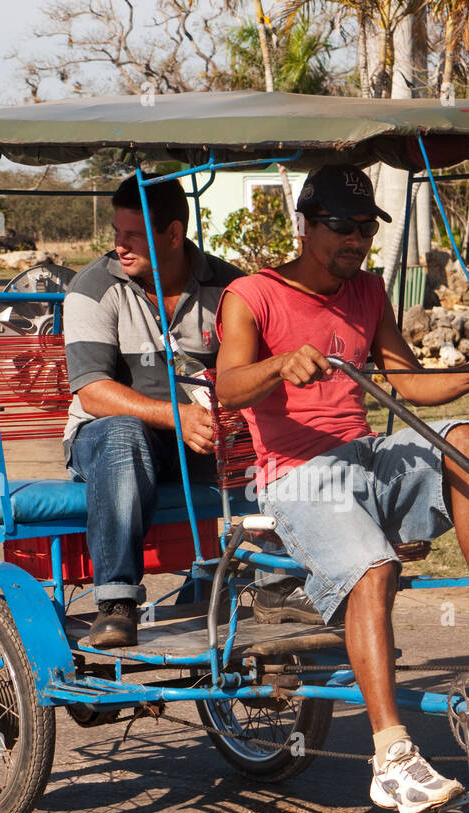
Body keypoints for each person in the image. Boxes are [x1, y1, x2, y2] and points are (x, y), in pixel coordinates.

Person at [214, 163, 469, 813]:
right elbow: (227, 388)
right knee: (373, 568)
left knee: (462, 436)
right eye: (342, 227)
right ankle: (392, 759)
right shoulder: (251, 296)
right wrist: (279, 364)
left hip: (365, 462)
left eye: (365, 229)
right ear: (305, 226)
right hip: (297, 477)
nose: (355, 240)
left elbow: (408, 384)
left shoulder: (369, 292)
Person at [62, 172, 318, 647]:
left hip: (209, 439)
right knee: (123, 435)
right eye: (117, 234)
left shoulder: (231, 287)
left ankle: (277, 585)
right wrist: (176, 417)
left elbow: (260, 375)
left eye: (133, 235)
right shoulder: (92, 288)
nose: (120, 246)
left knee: (286, 437)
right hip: (108, 441)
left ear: (174, 234)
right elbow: (92, 392)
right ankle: (116, 603)